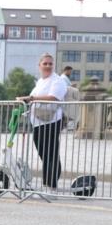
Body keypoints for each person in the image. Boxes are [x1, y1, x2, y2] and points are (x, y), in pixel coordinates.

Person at [16, 53, 68, 195]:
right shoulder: (40, 82)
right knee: (44, 154)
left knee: (50, 153)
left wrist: (30, 98)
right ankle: (49, 183)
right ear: (39, 66)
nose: (48, 66)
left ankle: (50, 184)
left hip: (51, 121)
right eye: (45, 63)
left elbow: (53, 97)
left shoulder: (57, 81)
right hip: (38, 122)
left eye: (50, 64)